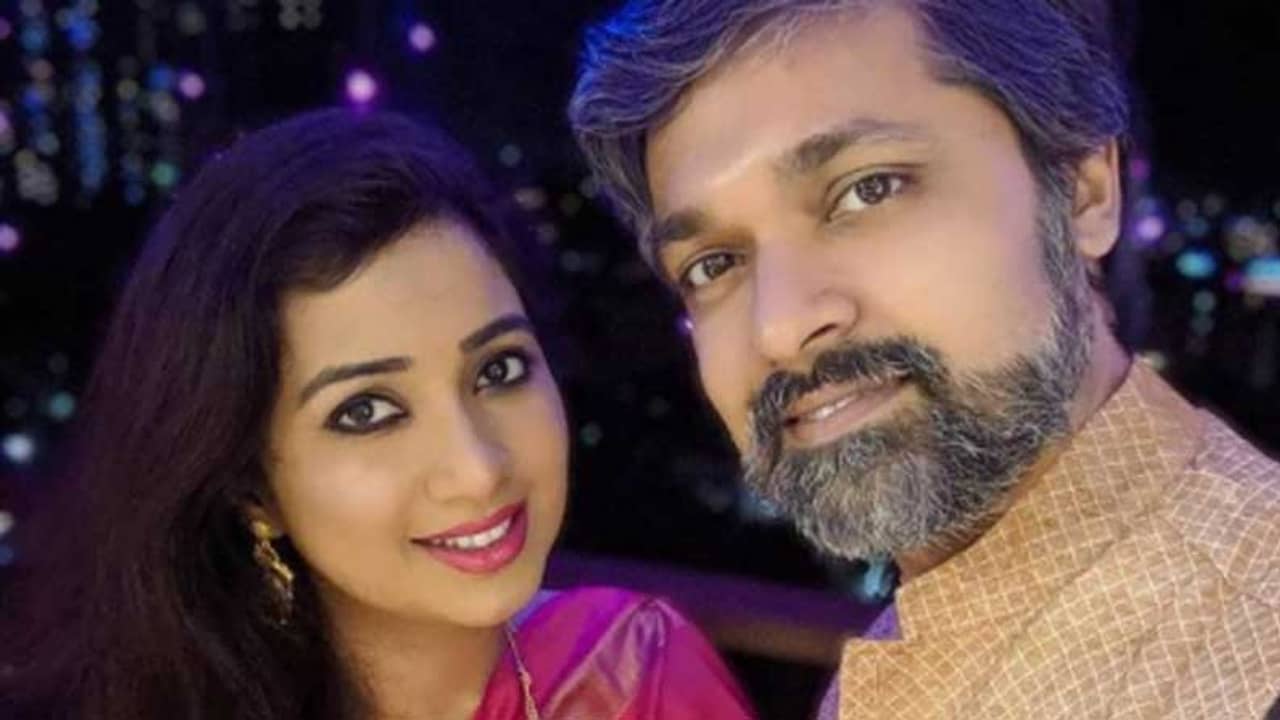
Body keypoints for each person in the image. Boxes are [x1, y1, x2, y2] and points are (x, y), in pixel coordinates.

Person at [569, 1, 1280, 718]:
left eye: (867, 189)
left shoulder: (1248, 646)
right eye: (712, 265)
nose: (778, 326)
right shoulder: (915, 641)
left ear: (1083, 192)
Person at [0, 109, 753, 720]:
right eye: (367, 411)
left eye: (499, 370)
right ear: (251, 489)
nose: (477, 468)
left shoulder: (629, 680)